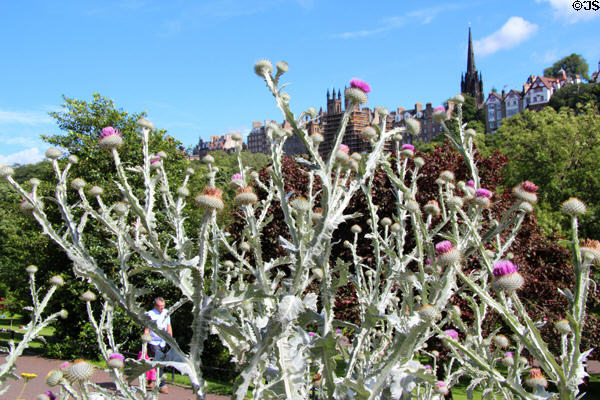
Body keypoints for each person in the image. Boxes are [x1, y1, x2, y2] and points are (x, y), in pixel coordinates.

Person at [144, 297, 172, 394]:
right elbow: (146, 330)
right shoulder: (150, 314)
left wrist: (170, 340)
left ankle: (151, 379)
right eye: (160, 306)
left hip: (163, 342)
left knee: (161, 363)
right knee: (158, 362)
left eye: (163, 306)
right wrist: (145, 344)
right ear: (155, 306)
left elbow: (168, 326)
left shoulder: (166, 313)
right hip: (153, 342)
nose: (162, 308)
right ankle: (162, 385)